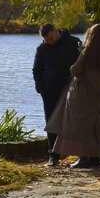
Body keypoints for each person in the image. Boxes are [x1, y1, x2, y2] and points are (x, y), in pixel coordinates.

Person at [46, 23, 100, 168]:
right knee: (96, 124)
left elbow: (75, 70)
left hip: (83, 91)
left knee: (79, 122)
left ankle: (83, 158)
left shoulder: (87, 51)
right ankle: (95, 157)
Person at [32, 23, 81, 166]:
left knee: (75, 120)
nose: (49, 42)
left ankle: (82, 154)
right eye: (46, 40)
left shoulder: (73, 42)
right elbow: (37, 70)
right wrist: (40, 88)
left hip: (71, 89)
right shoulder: (42, 49)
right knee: (51, 122)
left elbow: (83, 64)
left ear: (56, 31)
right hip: (49, 91)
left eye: (51, 38)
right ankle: (53, 156)